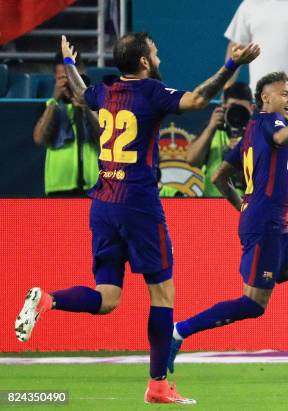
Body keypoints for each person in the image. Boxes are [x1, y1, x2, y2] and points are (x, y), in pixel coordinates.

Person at [15, 32, 260, 404]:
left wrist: (68, 63)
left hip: (103, 204)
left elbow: (80, 93)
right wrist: (232, 64)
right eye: (155, 52)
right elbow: (197, 98)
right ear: (144, 61)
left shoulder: (106, 89)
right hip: (140, 204)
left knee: (108, 296)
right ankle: (158, 385)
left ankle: (48, 300)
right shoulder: (151, 92)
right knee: (162, 294)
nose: (158, 56)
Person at [167, 72, 288, 379]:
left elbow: (219, 176)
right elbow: (282, 138)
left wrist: (244, 207)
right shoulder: (271, 122)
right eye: (283, 93)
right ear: (265, 99)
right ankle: (178, 332)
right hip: (265, 227)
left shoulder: (250, 134)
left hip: (274, 225)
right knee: (253, 304)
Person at [33, 52, 99, 197]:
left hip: (93, 187)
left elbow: (105, 136)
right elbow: (39, 138)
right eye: (63, 78)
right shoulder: (50, 106)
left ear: (82, 75)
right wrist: (55, 100)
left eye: (72, 77)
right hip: (59, 188)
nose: (68, 82)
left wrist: (84, 104)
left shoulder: (96, 104)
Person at [185, 82, 253, 197]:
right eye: (233, 107)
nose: (237, 113)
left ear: (252, 108)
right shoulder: (213, 130)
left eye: (241, 109)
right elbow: (191, 160)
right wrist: (211, 126)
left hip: (247, 207)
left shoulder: (258, 133)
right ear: (224, 106)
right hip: (213, 206)